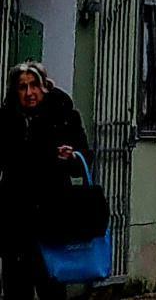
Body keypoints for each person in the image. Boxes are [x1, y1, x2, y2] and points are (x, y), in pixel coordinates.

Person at [0, 62, 90, 300]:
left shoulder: (62, 115)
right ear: (15, 91)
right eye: (22, 87)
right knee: (16, 286)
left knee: (50, 284)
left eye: (34, 86)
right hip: (15, 216)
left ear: (44, 87)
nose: (29, 93)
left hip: (51, 213)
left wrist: (70, 157)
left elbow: (84, 158)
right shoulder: (8, 118)